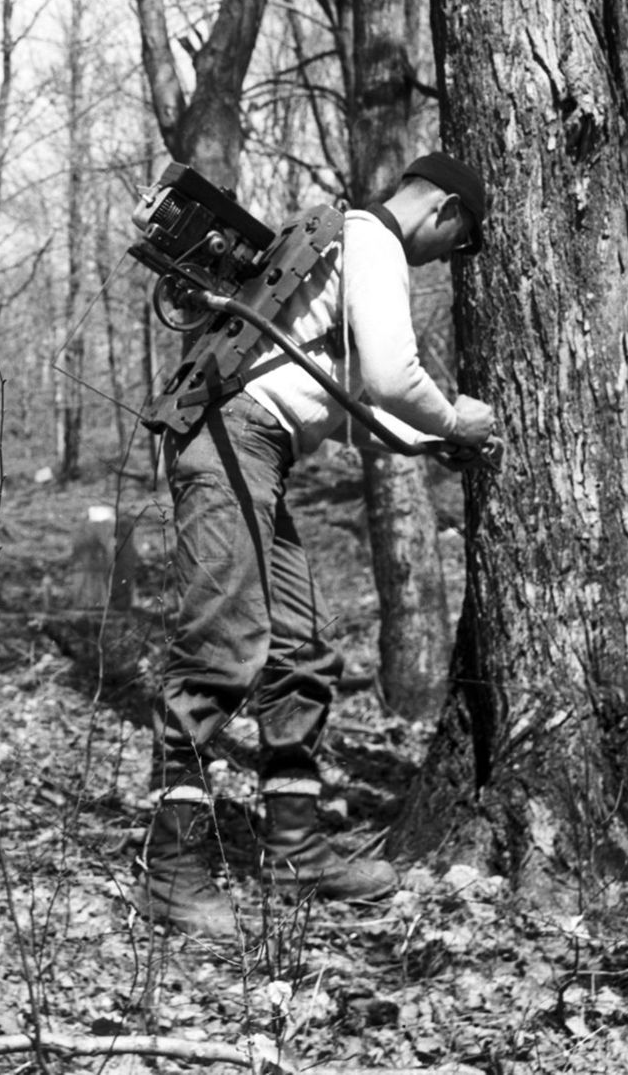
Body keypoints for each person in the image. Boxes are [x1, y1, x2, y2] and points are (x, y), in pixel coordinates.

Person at [134, 151, 496, 938]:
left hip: (256, 448)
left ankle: (294, 851)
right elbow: (398, 381)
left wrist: (432, 440)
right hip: (232, 442)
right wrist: (457, 420)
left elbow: (360, 403)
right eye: (460, 242)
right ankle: (171, 871)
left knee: (297, 653)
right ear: (444, 212)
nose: (450, 259)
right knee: (223, 645)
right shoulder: (374, 240)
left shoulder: (347, 244)